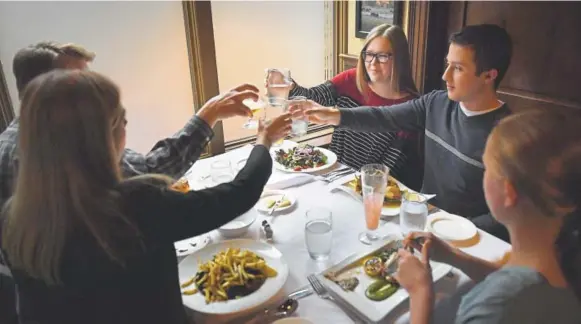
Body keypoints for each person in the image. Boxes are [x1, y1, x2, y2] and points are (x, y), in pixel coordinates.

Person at [0, 69, 292, 324]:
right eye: (122, 121)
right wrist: (263, 141)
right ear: (102, 138)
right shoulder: (133, 206)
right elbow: (238, 194)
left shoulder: (16, 218)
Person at [294, 24, 513, 241]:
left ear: (488, 76)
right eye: (448, 64)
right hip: (423, 224)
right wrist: (332, 115)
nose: (445, 76)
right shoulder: (435, 103)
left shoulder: (508, 137)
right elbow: (383, 117)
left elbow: (509, 213)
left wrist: (458, 230)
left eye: (458, 68)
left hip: (469, 239)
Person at [0, 41, 253, 208]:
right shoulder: (71, 143)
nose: (93, 87)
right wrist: (209, 114)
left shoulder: (6, 142)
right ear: (45, 87)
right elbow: (154, 172)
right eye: (80, 81)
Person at [395, 108, 581, 324]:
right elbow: (513, 276)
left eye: (487, 169)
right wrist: (452, 256)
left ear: (508, 192)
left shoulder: (498, 308)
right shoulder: (557, 261)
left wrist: (420, 292)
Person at [280, 24, 423, 190]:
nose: (373, 63)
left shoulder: (411, 108)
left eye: (383, 56)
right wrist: (290, 87)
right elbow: (314, 97)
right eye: (369, 54)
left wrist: (358, 187)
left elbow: (390, 167)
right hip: (333, 178)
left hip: (370, 190)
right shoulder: (351, 79)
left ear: (400, 59)